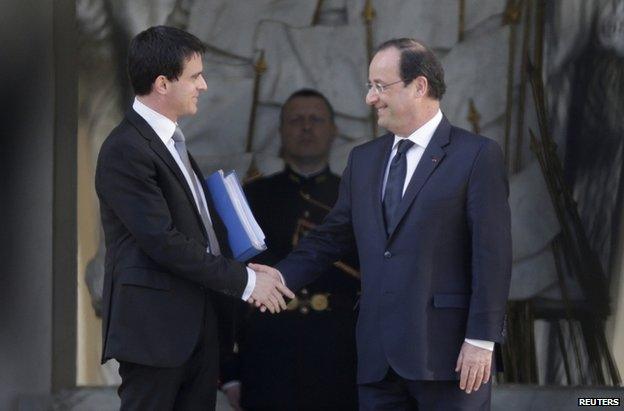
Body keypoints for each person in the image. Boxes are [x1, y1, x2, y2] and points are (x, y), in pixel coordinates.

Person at [251, 38, 512, 410]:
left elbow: (493, 254)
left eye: (379, 86)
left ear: (419, 86)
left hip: (450, 358)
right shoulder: (364, 160)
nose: (369, 98)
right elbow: (330, 238)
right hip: (377, 361)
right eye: (369, 86)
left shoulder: (476, 156)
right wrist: (280, 278)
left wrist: (482, 339)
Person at [95, 25, 293, 411]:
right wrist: (245, 282)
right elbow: (162, 241)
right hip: (155, 334)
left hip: (197, 326)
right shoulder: (126, 149)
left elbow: (199, 233)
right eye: (195, 76)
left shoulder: (172, 143)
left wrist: (247, 268)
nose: (202, 86)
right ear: (162, 84)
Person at [221, 89, 359, 411]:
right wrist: (229, 371)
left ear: (333, 131)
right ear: (281, 132)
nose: (306, 128)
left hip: (342, 354)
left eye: (316, 119)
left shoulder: (354, 195)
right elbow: (227, 284)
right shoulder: (252, 197)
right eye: (296, 120)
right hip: (269, 354)